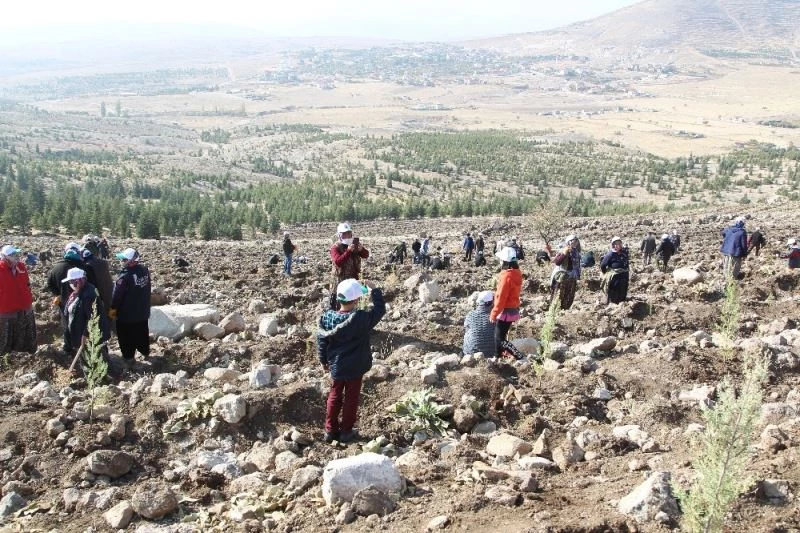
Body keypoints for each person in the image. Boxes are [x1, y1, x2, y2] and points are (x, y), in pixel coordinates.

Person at [317, 279, 385, 443]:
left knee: (334, 394)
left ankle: (330, 430)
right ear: (355, 300)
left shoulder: (327, 319)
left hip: (337, 365)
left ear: (339, 299)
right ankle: (346, 431)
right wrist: (374, 289)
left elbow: (322, 342)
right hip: (356, 365)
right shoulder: (361, 318)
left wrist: (324, 361)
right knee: (351, 397)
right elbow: (380, 309)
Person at [48, 243, 97, 354]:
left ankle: (69, 347)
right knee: (84, 324)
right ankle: (85, 349)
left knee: (67, 323)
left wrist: (58, 294)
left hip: (65, 302)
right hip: (83, 302)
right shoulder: (84, 267)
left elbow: (50, 284)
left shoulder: (57, 268)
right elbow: (94, 285)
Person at [110, 248, 152, 363]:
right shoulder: (144, 270)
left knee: (125, 336)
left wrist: (113, 308)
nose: (122, 261)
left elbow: (117, 295)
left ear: (132, 260)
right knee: (142, 332)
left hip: (126, 315)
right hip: (142, 311)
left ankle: (128, 358)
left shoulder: (124, 277)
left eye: (124, 259)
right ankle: (145, 352)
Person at [61, 267, 110, 358]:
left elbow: (92, 318)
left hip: (90, 337)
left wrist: (85, 335)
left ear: (78, 281)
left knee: (95, 358)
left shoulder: (88, 295)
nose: (70, 284)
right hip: (83, 332)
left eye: (71, 282)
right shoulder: (82, 290)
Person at [0, 245, 36, 355]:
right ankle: (5, 359)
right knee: (5, 338)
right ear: (5, 257)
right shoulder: (1, 270)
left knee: (24, 335)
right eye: (13, 255)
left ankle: (24, 355)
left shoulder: (21, 267)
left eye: (17, 254)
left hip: (24, 307)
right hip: (6, 309)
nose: (17, 257)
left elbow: (27, 284)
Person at [491, 247, 524, 359]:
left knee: (499, 338)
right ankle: (497, 357)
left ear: (505, 261)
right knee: (500, 336)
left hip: (505, 310)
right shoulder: (517, 273)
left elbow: (501, 297)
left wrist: (494, 313)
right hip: (513, 309)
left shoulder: (506, 276)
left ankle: (519, 356)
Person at [329, 222, 369, 310]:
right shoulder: (335, 247)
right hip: (339, 282)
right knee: (338, 307)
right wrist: (348, 251)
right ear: (339, 235)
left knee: (354, 306)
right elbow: (338, 262)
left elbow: (366, 255)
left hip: (353, 281)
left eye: (349, 233)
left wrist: (361, 250)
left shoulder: (354, 245)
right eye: (344, 234)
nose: (347, 236)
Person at [551, 235, 582, 310]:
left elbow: (577, 265)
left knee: (569, 295)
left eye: (575, 241)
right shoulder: (563, 250)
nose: (574, 243)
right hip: (562, 275)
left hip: (572, 276)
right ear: (568, 242)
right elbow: (558, 262)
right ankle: (554, 310)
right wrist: (565, 254)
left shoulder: (576, 252)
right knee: (558, 295)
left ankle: (564, 310)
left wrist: (578, 275)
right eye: (572, 241)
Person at [462, 290, 496, 356]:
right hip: (492, 353)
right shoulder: (495, 317)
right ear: (492, 303)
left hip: (470, 354)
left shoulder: (470, 315)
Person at [82, 246, 113, 315]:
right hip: (109, 286)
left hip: (99, 289)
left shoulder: (87, 266)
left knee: (101, 308)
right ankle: (112, 319)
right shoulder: (103, 262)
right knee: (109, 304)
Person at [600, 237, 630, 304]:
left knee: (623, 291)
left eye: (619, 243)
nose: (618, 245)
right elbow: (603, 265)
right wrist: (606, 273)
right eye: (616, 244)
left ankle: (622, 304)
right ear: (613, 245)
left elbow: (626, 263)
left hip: (624, 276)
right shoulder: (610, 254)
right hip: (615, 278)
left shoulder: (624, 253)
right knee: (614, 292)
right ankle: (612, 305)